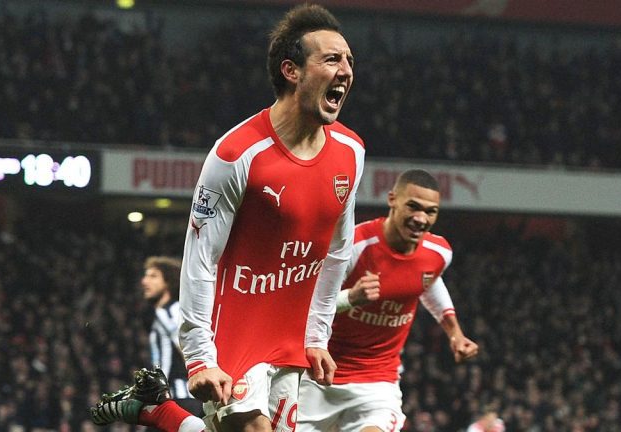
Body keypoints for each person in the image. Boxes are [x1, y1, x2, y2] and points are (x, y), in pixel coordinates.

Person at [90, 3, 362, 431]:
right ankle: (157, 409)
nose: (345, 70)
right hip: (231, 332)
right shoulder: (236, 154)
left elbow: (337, 251)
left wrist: (316, 335)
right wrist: (199, 356)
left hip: (288, 337)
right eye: (331, 59)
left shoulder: (350, 152)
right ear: (291, 71)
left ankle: (156, 410)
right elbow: (200, 258)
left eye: (349, 60)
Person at [297, 169, 479, 432]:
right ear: (392, 199)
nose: (421, 218)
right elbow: (306, 306)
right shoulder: (354, 246)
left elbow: (427, 282)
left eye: (430, 211)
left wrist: (455, 333)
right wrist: (351, 298)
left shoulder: (438, 253)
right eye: (413, 207)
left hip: (377, 383)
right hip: (320, 376)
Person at [90, 257, 205, 430]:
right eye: (145, 276)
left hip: (179, 400)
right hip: (173, 400)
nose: (144, 281)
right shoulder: (161, 315)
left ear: (168, 282)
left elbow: (189, 350)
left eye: (153, 276)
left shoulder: (171, 312)